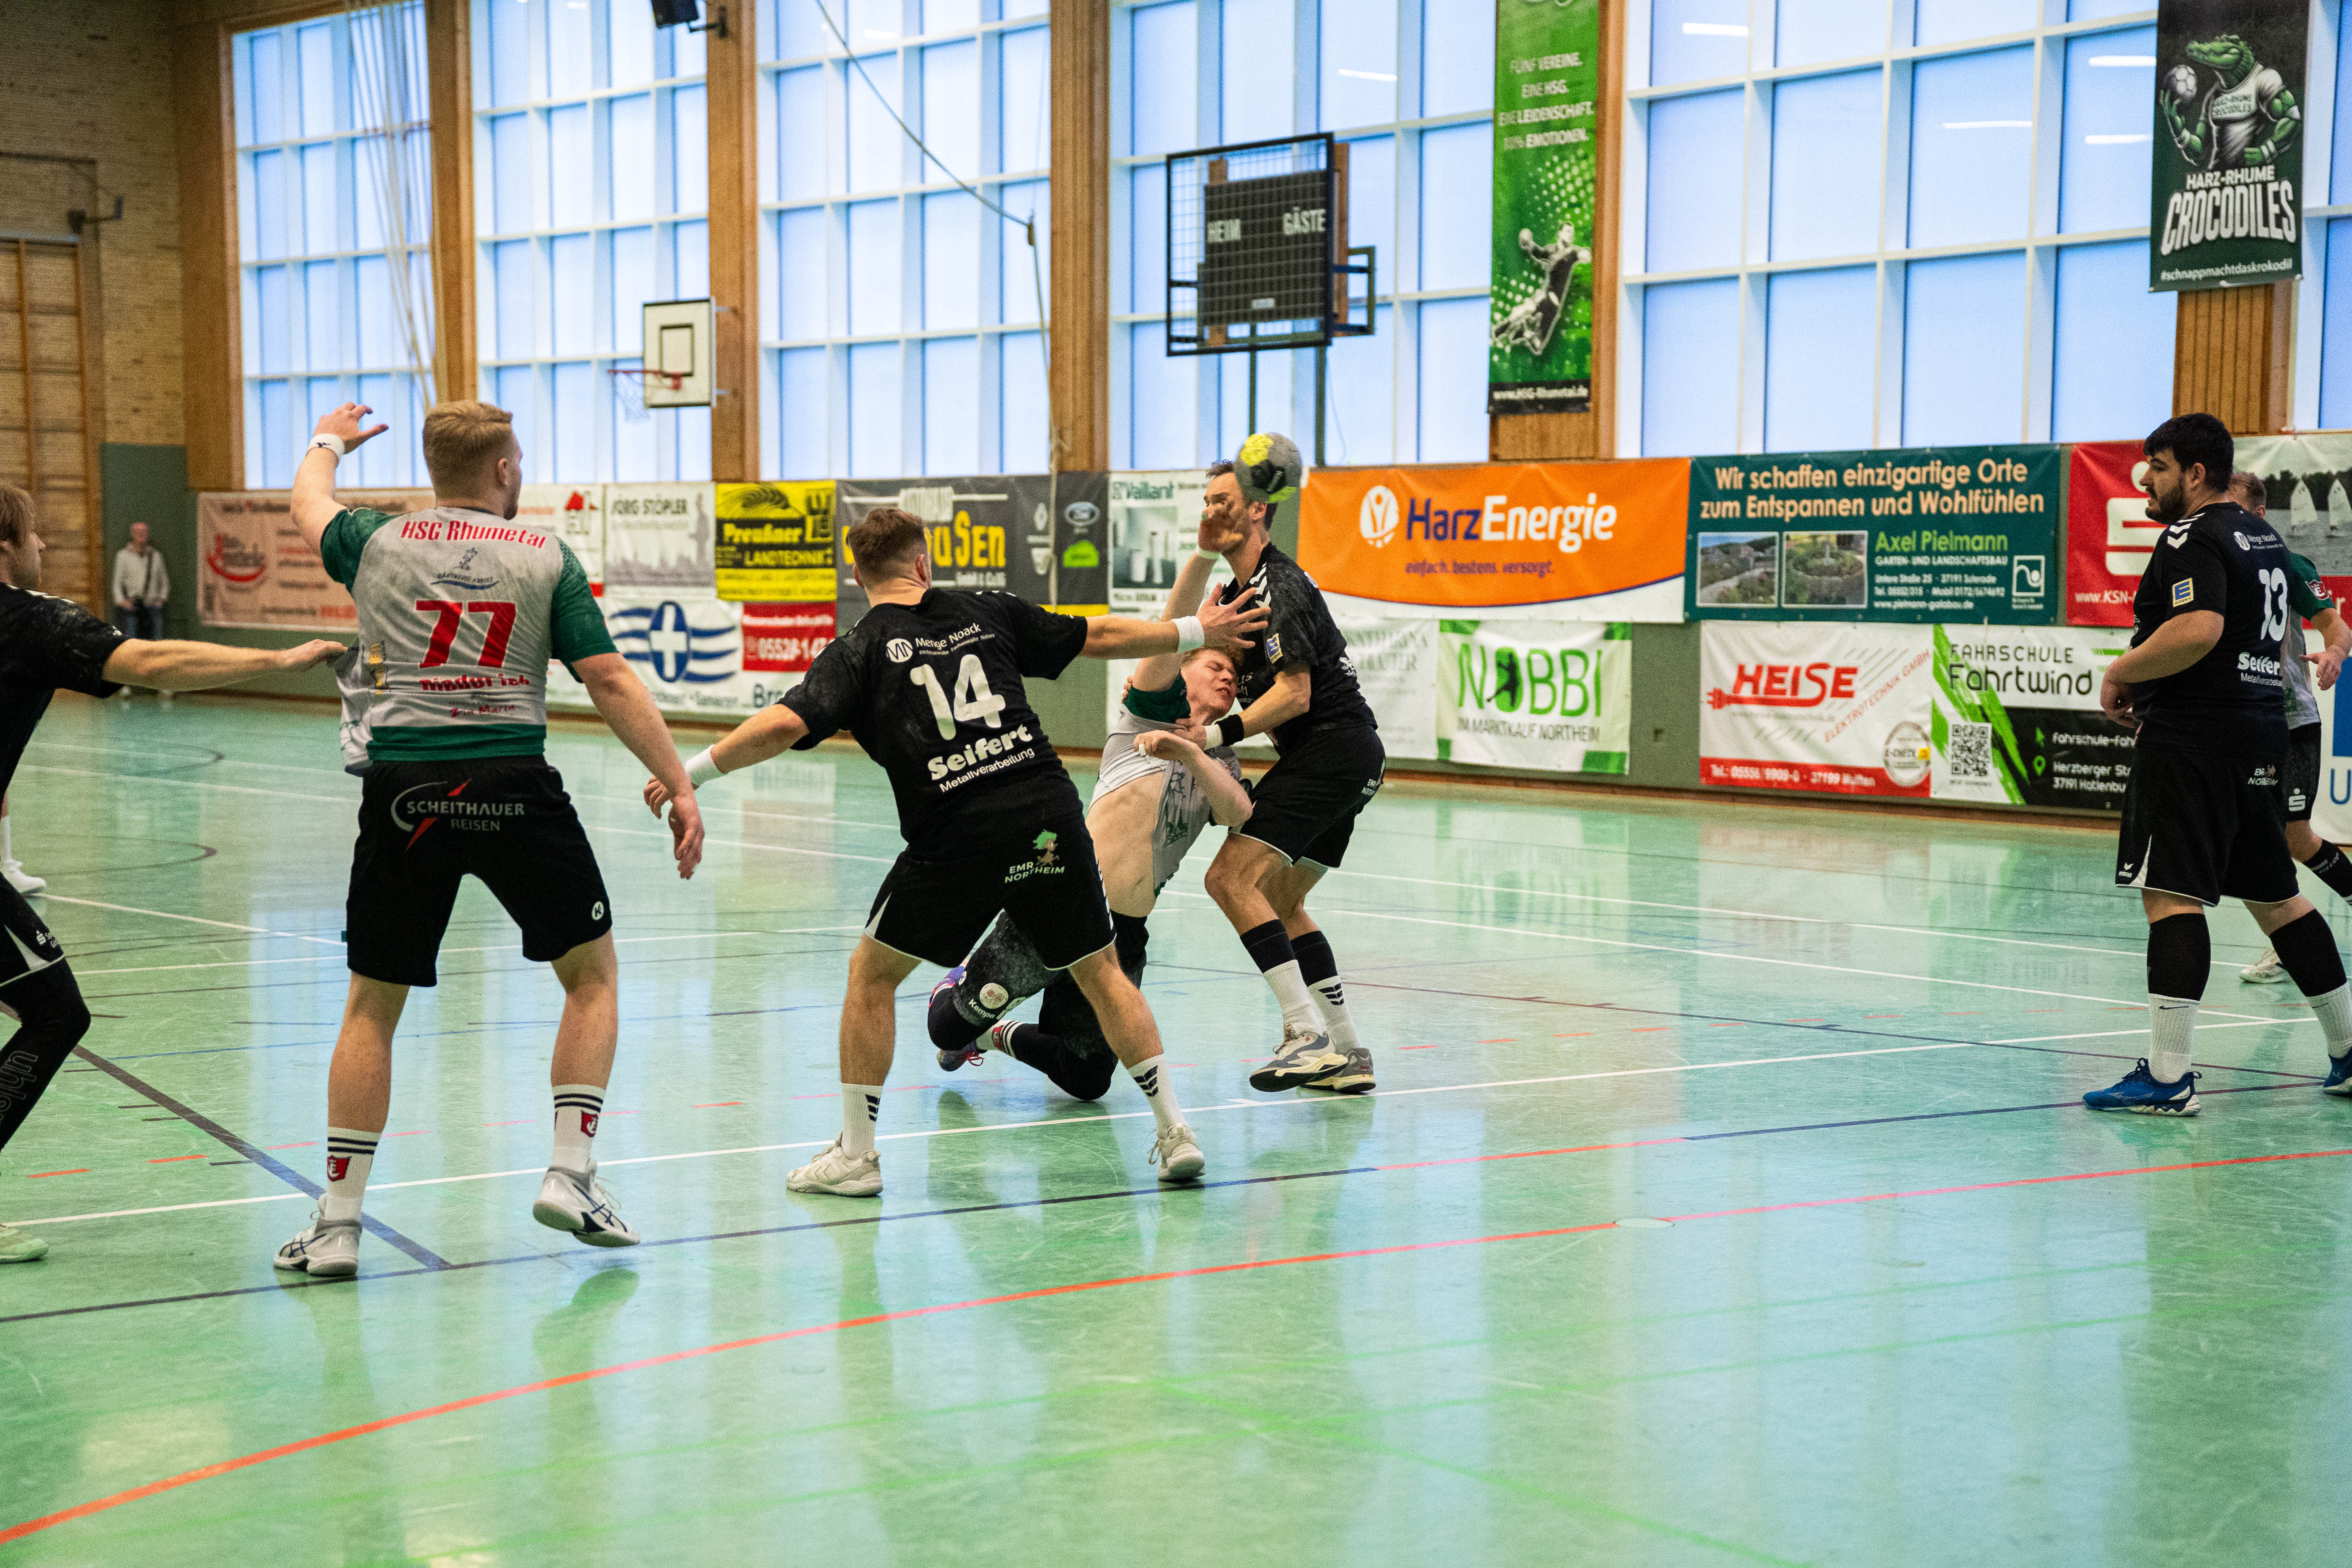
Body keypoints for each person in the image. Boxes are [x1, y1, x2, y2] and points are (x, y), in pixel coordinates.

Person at [644, 505, 1267, 1196]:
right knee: (1100, 970)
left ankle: (857, 1155)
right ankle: (1175, 1132)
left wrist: (689, 774)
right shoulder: (984, 608)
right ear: (923, 563)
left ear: (858, 576)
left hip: (958, 829)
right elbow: (1099, 633)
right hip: (1045, 812)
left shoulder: (859, 648)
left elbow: (784, 724)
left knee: (870, 976)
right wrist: (1197, 630)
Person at [270, 400, 706, 1278]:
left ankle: (339, 1225)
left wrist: (328, 441)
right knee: (591, 975)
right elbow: (608, 677)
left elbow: (306, 501)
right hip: (514, 785)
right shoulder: (545, 555)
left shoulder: (373, 541)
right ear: (503, 468)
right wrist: (680, 782)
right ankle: (570, 1173)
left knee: (371, 1005)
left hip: (405, 793)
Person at [0, 484, 344, 1263]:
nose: (44, 546)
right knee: (55, 1014)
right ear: (6, 546)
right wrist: (277, 658)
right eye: (34, 534)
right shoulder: (28, 619)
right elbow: (150, 660)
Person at [927, 534, 1252, 1098]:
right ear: (1185, 666)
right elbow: (1168, 632)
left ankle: (997, 1036)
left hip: (1122, 932)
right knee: (945, 1028)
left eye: (1235, 678)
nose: (1228, 679)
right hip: (1062, 901)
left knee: (1086, 1078)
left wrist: (1193, 755)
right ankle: (958, 1001)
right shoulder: (1149, 712)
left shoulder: (1221, 761)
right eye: (1216, 664)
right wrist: (1203, 558)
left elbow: (1238, 811)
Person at [2093, 413, 2352, 1115]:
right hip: (2261, 733)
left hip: (2193, 739)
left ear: (2195, 473)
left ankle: (2168, 1076)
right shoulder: (2262, 538)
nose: (2145, 480)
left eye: (2157, 466)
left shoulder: (2190, 534)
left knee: (2170, 894)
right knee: (2276, 896)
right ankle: (2348, 1048)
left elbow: (2197, 629)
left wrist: (2120, 670)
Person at [1197, 435, 1385, 1095]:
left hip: (1332, 747)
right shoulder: (1236, 592)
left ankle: (1304, 1034)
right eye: (1205, 501)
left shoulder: (1279, 583)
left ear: (1258, 507)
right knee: (1281, 899)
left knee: (1228, 878)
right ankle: (1349, 1053)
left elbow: (1296, 693)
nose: (1210, 511)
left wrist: (1214, 734)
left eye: (1222, 501)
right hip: (1347, 757)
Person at [2221, 471, 2352, 983]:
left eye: (2232, 506)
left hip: (2290, 722)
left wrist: (2335, 652)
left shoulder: (2288, 563)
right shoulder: (2212, 561)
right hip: (2240, 725)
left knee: (2291, 836)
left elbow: (2334, 624)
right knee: (2262, 838)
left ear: (2258, 514)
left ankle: (2290, 941)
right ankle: (2288, 940)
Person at [111, 520, 172, 704]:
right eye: (137, 532)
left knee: (158, 645)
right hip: (133, 607)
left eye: (144, 532)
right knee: (129, 645)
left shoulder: (156, 556)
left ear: (148, 534)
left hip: (153, 607)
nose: (141, 535)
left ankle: (162, 684)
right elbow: (117, 583)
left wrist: (161, 599)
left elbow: (164, 581)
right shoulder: (123, 556)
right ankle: (126, 685)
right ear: (132, 534)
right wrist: (122, 602)